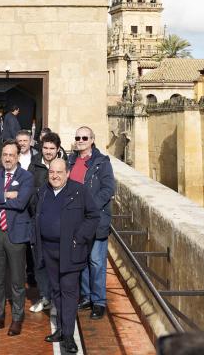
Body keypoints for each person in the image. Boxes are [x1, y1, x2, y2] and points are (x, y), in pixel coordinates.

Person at [33, 158, 99, 353]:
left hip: (71, 250)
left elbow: (94, 216)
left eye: (59, 172)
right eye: (52, 172)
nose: (54, 176)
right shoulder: (43, 191)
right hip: (48, 249)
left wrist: (78, 238)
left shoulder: (79, 191)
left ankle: (68, 335)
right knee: (56, 291)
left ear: (68, 173)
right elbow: (35, 215)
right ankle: (61, 329)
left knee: (69, 292)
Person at [0, 140, 34, 336]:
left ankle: (17, 318)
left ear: (17, 156)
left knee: (17, 280)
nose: (8, 158)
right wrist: (7, 195)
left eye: (11, 155)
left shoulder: (26, 177)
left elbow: (21, 203)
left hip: (16, 234)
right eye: (5, 155)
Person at [67, 126, 115, 320]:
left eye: (84, 137)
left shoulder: (102, 162)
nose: (80, 140)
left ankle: (99, 301)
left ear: (92, 140)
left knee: (96, 261)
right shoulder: (71, 160)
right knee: (82, 261)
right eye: (78, 137)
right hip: (75, 221)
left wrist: (89, 206)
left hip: (95, 219)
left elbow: (108, 189)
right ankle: (86, 297)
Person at [26, 131, 54, 313]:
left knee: (56, 263)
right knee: (39, 263)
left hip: (56, 224)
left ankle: (56, 298)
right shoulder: (33, 166)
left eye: (52, 148)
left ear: (57, 149)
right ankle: (45, 296)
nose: (48, 151)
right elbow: (28, 191)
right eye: (45, 147)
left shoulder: (62, 166)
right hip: (36, 221)